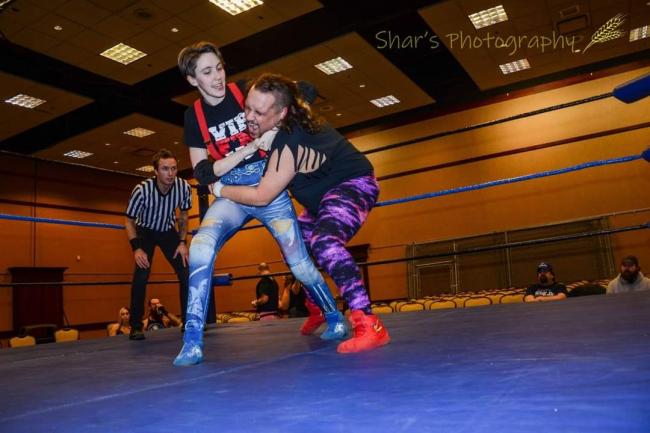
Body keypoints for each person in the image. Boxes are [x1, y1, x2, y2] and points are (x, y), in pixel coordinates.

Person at [173, 42, 346, 367]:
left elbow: (302, 92)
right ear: (192, 80)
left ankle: (334, 314)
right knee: (199, 247)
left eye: (220, 68)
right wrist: (247, 149)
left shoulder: (246, 92)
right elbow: (201, 173)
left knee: (298, 263)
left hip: (268, 185)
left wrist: (278, 129)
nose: (217, 78)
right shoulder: (193, 117)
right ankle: (192, 340)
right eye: (207, 72)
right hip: (231, 193)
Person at [214, 73, 391, 354]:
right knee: (294, 246)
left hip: (353, 185)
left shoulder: (288, 142)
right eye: (247, 107)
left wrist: (220, 188)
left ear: (281, 113)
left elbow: (262, 196)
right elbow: (306, 88)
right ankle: (318, 306)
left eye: (259, 112)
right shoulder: (289, 109)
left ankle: (368, 323)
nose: (249, 116)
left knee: (325, 242)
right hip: (321, 200)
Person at [125, 149, 192, 341]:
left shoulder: (183, 187)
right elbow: (128, 221)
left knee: (185, 271)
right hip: (144, 232)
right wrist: (136, 248)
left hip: (167, 231)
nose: (170, 173)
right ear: (155, 171)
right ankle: (136, 327)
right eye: (165, 169)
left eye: (173, 168)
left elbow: (184, 216)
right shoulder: (142, 190)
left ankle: (189, 321)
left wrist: (182, 242)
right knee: (141, 276)